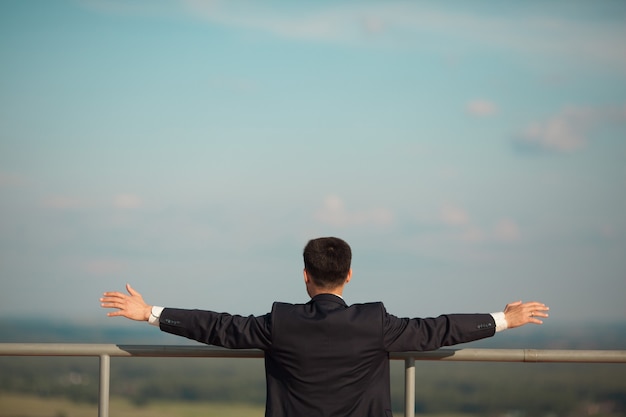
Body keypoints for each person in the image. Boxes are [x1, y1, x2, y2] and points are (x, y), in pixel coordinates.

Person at [101, 236, 549, 417]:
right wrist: (505, 319)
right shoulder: (374, 322)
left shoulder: (281, 322)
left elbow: (220, 326)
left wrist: (150, 313)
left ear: (305, 275)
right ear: (349, 275)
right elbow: (438, 330)